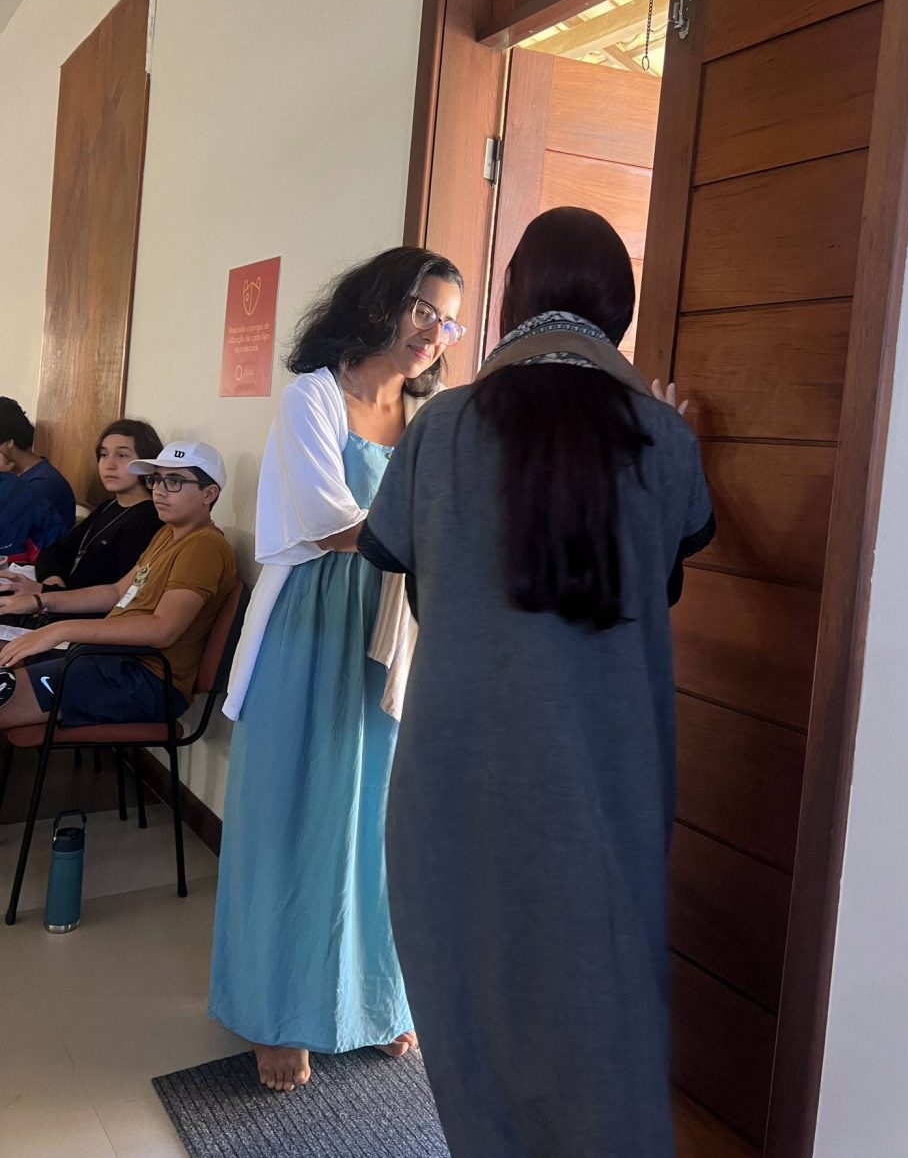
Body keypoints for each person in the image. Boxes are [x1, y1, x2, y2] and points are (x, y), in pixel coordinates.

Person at [359, 208, 715, 1158]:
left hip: (457, 775)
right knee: (606, 1017)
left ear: (514, 293)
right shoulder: (665, 441)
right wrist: (673, 435)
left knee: (471, 1015)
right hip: (610, 783)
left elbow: (402, 562)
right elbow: (665, 574)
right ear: (618, 302)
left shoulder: (441, 427)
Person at [209, 248, 465, 1093]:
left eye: (449, 321)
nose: (435, 333)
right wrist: (440, 526)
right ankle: (280, 1012)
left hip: (396, 628)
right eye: (424, 309)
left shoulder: (428, 413)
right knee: (298, 809)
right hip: (318, 620)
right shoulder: (313, 395)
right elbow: (329, 521)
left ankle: (376, 999)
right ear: (384, 301)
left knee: (383, 815)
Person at [0, 441, 237, 731]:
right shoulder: (168, 533)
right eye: (156, 479)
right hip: (111, 661)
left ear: (208, 493)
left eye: (174, 481)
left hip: (144, 678)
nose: (159, 490)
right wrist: (41, 600)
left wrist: (60, 629)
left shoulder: (204, 547)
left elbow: (163, 629)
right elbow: (115, 592)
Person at [0, 419, 163, 622]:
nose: (109, 464)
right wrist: (52, 580)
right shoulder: (108, 507)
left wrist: (44, 593)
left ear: (146, 464)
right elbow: (55, 550)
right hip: (55, 604)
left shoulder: (149, 519)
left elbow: (116, 595)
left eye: (121, 455)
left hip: (84, 621)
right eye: (103, 455)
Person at [0, 398, 76, 535]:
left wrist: (3, 479)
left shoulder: (42, 484)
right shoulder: (20, 475)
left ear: (8, 443)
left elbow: (9, 530)